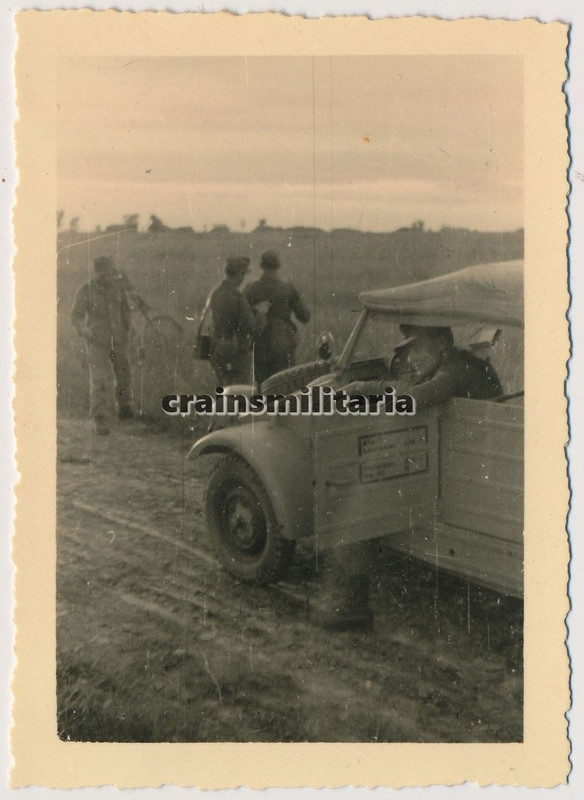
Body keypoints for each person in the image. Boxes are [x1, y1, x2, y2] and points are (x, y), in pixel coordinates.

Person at [320, 324, 502, 632]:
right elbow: (403, 387)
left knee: (357, 504)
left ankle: (352, 607)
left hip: (472, 471)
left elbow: (413, 399)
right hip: (468, 463)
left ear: (442, 343)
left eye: (417, 348)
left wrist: (367, 405)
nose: (411, 358)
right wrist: (360, 388)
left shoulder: (457, 369)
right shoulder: (451, 363)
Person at [71, 255, 149, 435]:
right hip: (97, 341)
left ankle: (125, 410)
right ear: (97, 272)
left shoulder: (118, 288)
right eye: (104, 273)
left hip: (118, 340)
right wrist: (83, 330)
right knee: (99, 379)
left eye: (110, 272)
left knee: (124, 374)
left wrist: (128, 329)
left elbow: (125, 311)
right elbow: (75, 316)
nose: (108, 276)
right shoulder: (87, 290)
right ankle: (99, 418)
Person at [244, 250, 311, 385]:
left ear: (261, 266)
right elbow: (305, 316)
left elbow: (242, 314)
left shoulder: (251, 288)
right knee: (285, 385)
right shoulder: (288, 288)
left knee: (263, 386)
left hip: (261, 342)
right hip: (283, 342)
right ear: (278, 266)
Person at [208, 256, 257, 386]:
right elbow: (251, 327)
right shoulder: (238, 297)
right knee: (240, 389)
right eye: (243, 274)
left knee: (223, 387)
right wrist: (261, 313)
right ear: (240, 274)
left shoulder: (215, 293)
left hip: (217, 346)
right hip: (235, 350)